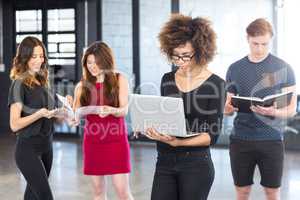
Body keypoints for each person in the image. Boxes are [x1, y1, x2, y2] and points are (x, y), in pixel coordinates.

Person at [145, 14, 226, 200]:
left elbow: (211, 136)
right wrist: (152, 128)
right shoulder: (167, 79)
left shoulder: (216, 84)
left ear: (200, 51)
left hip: (196, 164)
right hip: (164, 160)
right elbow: (166, 118)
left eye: (186, 56)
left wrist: (179, 142)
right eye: (175, 57)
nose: (180, 62)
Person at [224, 18, 297, 200]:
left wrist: (274, 112)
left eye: (264, 44)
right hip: (241, 139)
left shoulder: (284, 68)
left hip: (271, 139)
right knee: (242, 191)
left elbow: (291, 109)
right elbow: (227, 108)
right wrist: (227, 108)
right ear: (247, 39)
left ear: (270, 40)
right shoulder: (235, 68)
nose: (259, 49)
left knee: (272, 192)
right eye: (255, 44)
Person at [72, 41, 134, 200]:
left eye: (97, 62)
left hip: (116, 141)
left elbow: (124, 110)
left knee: (122, 192)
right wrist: (71, 115)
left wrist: (112, 110)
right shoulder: (81, 86)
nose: (92, 66)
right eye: (89, 62)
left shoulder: (119, 79)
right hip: (93, 142)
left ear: (106, 62)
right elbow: (75, 116)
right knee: (98, 192)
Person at [8, 36, 67, 200]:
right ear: (25, 58)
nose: (39, 60)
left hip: (47, 147)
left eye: (41, 56)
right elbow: (14, 124)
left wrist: (65, 110)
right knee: (46, 197)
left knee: (32, 196)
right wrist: (38, 114)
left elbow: (55, 117)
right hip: (28, 150)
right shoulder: (18, 85)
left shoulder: (44, 82)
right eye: (34, 56)